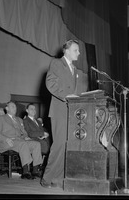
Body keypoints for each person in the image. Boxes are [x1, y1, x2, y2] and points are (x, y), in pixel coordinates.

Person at [40, 39, 80, 189]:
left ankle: (57, 178)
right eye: (76, 50)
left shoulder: (74, 69)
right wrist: (66, 96)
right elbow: (50, 83)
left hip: (70, 111)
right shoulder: (57, 63)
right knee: (58, 145)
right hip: (59, 110)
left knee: (66, 145)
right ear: (67, 51)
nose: (79, 53)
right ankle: (47, 178)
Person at [0, 101, 43, 180]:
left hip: (19, 141)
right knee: (23, 144)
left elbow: (24, 132)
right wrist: (5, 139)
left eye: (15, 107)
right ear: (7, 108)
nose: (15, 108)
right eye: (12, 106)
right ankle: (25, 171)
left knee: (36, 144)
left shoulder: (19, 120)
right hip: (7, 142)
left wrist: (26, 137)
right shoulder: (1, 118)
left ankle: (35, 170)